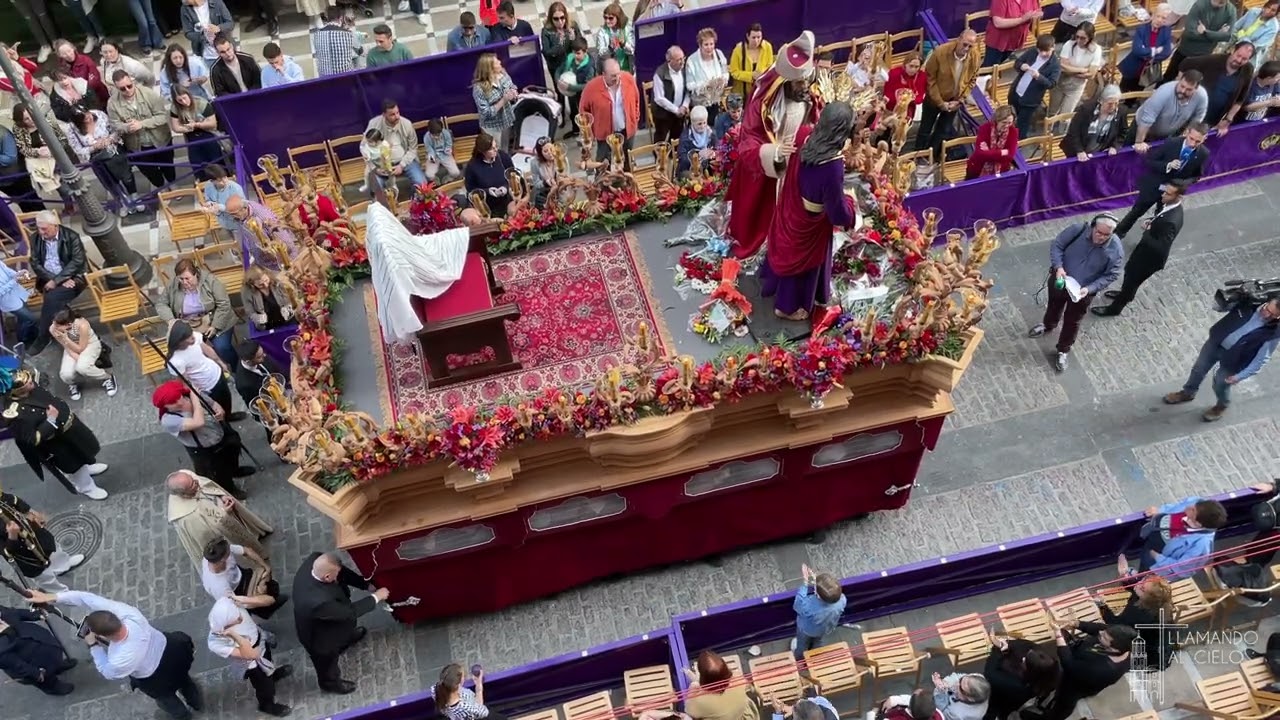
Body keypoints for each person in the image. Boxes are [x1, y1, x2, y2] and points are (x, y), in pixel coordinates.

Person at [26, 589, 204, 720]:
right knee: (185, 680)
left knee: (167, 700)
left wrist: (93, 645)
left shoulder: (119, 656)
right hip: (173, 651)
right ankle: (196, 701)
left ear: (104, 635)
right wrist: (51, 597)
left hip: (156, 678)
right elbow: (85, 597)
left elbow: (107, 670)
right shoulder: (128, 613)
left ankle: (184, 717)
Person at [726, 30, 819, 261]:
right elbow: (748, 143)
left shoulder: (807, 94)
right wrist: (775, 152)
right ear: (786, 82)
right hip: (776, 167)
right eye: (800, 83)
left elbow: (814, 117)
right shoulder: (764, 103)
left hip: (801, 161)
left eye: (807, 81)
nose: (805, 86)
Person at [761, 101, 856, 322]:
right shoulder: (832, 164)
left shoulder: (804, 133)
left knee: (786, 247)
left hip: (790, 205)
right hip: (810, 220)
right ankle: (787, 306)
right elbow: (837, 213)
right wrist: (850, 205)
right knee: (802, 261)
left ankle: (775, 285)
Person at [1027, 214, 1123, 372]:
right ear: (1093, 227)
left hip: (1082, 292)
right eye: (1099, 232)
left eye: (1107, 235)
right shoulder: (1077, 230)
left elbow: (1111, 274)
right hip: (1061, 280)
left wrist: (1090, 288)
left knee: (1073, 321)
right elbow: (1058, 245)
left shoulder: (1116, 250)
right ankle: (1048, 325)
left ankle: (1063, 350)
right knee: (1053, 305)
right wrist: (1058, 267)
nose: (1101, 237)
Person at [1163, 294, 1280, 422]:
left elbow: (1261, 360)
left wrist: (1239, 376)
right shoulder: (1249, 304)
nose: (1268, 316)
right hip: (1215, 344)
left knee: (1220, 385)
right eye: (1268, 310)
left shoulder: (1273, 332)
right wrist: (1231, 299)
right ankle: (1187, 393)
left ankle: (1222, 405)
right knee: (1198, 369)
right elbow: (1218, 307)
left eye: (1274, 315)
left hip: (1234, 361)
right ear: (1267, 302)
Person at [0, 368, 109, 499]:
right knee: (74, 465)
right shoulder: (16, 414)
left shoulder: (32, 389)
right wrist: (51, 420)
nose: (32, 383)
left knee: (83, 451)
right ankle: (86, 487)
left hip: (70, 429)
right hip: (57, 443)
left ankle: (86, 467)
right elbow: (32, 439)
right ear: (19, 391)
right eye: (28, 383)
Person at [292, 551, 390, 694]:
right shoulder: (318, 602)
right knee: (327, 661)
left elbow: (342, 572)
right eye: (335, 576)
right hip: (319, 637)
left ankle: (345, 639)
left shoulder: (317, 560)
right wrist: (376, 597)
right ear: (327, 577)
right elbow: (348, 613)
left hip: (333, 619)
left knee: (342, 632)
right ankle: (330, 683)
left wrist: (365, 585)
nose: (339, 577)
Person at [1093, 182, 1186, 317]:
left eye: (1168, 193)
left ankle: (1115, 309)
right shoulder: (1170, 207)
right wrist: (1152, 223)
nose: (1163, 195)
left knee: (1132, 280)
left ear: (1179, 197)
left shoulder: (1172, 220)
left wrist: (1148, 231)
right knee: (1129, 276)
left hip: (1149, 259)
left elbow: (1161, 246)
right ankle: (1125, 294)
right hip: (1144, 253)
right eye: (1165, 191)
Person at [154, 381, 251, 499]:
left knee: (233, 453)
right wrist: (195, 397)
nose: (179, 402)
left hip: (220, 433)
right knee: (218, 472)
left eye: (178, 397)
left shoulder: (190, 396)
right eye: (172, 403)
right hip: (204, 449)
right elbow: (198, 422)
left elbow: (213, 404)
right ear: (165, 406)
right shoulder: (169, 420)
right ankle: (230, 489)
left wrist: (220, 411)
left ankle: (235, 471)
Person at [1115, 122, 1208, 238]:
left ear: (1205, 139)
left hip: (1171, 193)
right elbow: (1150, 161)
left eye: (1197, 141)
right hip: (1154, 186)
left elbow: (1196, 176)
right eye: (1191, 139)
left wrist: (1180, 185)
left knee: (1160, 218)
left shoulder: (1203, 153)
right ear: (1187, 133)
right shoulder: (1171, 143)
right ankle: (1118, 234)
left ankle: (1148, 239)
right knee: (1136, 212)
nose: (1192, 144)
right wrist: (1167, 165)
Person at [206, 596, 292, 716]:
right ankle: (266, 705)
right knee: (264, 686)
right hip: (252, 663)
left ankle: (272, 675)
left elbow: (269, 601)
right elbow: (251, 654)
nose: (240, 618)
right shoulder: (216, 643)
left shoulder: (235, 607)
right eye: (236, 619)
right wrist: (234, 635)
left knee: (269, 663)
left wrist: (245, 599)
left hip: (260, 644)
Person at [166, 468, 269, 568]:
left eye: (193, 479)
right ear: (183, 494)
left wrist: (221, 496)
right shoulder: (186, 516)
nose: (196, 482)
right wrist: (224, 513)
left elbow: (207, 487)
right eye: (192, 485)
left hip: (228, 512)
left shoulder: (188, 477)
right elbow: (209, 534)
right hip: (227, 534)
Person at [1037, 621, 1135, 720]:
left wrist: (1058, 635)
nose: (1100, 633)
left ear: (1115, 649)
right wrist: (1078, 624)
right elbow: (1101, 628)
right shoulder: (1122, 641)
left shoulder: (1101, 669)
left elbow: (1069, 664)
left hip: (1076, 685)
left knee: (1064, 704)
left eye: (1104, 637)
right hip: (1085, 673)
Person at [155, 260, 239, 367]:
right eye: (181, 279)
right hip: (189, 324)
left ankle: (236, 366)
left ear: (196, 275)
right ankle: (206, 371)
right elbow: (161, 304)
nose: (184, 282)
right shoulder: (173, 286)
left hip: (214, 319)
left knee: (222, 347)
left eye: (187, 278)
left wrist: (215, 326)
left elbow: (224, 304)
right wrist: (171, 319)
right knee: (186, 350)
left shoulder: (210, 281)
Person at [27, 211, 88, 356]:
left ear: (55, 226)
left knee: (51, 298)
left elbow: (78, 262)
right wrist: (52, 279)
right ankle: (73, 323)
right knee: (54, 299)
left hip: (73, 279)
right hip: (47, 279)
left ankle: (43, 337)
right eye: (39, 228)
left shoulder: (71, 237)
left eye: (44, 229)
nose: (41, 232)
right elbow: (35, 263)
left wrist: (58, 280)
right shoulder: (35, 238)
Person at [915, 30, 982, 161]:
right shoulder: (940, 52)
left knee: (943, 131)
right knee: (925, 129)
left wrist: (960, 100)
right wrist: (940, 103)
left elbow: (972, 79)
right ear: (958, 40)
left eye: (970, 46)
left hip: (954, 101)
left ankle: (931, 157)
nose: (966, 49)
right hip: (934, 98)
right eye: (965, 44)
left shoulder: (975, 56)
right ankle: (917, 156)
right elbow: (930, 79)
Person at [1, 490, 85, 592]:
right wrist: (12, 535)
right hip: (26, 556)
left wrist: (31, 512)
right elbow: (7, 553)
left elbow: (14, 500)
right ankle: (61, 594)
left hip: (35, 534)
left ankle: (64, 565)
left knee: (55, 551)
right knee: (45, 578)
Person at [65, 108, 145, 215]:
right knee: (110, 182)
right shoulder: (71, 129)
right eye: (84, 119)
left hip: (113, 151)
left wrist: (109, 140)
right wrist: (94, 147)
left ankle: (135, 198)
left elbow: (115, 129)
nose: (89, 118)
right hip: (97, 158)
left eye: (88, 114)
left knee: (126, 176)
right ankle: (123, 202)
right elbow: (78, 149)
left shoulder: (99, 114)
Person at [1097, 561, 1176, 669]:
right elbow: (1134, 588)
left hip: (1150, 655)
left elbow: (1114, 623)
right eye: (1143, 580)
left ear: (1148, 597)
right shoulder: (1160, 603)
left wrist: (1101, 605)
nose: (1138, 584)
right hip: (1159, 644)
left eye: (1142, 587)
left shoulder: (1139, 615)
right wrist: (1125, 577)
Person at [108, 70, 176, 192]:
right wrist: (127, 127)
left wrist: (142, 124)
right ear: (116, 88)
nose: (127, 90)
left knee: (168, 164)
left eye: (129, 86)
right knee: (149, 170)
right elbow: (114, 124)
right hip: (137, 145)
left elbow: (162, 116)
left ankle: (172, 183)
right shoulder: (112, 103)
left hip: (160, 139)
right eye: (122, 89)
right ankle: (161, 187)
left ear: (132, 81)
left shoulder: (148, 94)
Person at [0, 603, 76, 695]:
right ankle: (53, 687)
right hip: (30, 662)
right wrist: (35, 673)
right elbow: (17, 665)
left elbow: (14, 613)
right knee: (46, 678)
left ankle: (57, 666)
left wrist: (35, 614)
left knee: (52, 660)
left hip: (38, 641)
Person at [579, 58, 642, 167]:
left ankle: (628, 180)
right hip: (604, 134)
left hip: (626, 130)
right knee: (603, 162)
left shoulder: (628, 79)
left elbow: (636, 99)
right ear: (603, 74)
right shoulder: (591, 88)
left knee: (627, 157)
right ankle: (603, 181)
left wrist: (635, 119)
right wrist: (589, 133)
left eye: (618, 74)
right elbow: (583, 112)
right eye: (613, 75)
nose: (617, 78)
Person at [201, 537, 286, 618]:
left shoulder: (222, 551)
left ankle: (269, 596)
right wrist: (261, 599)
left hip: (242, 575)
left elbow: (247, 551)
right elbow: (235, 603)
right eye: (228, 552)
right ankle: (265, 607)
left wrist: (265, 566)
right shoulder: (219, 586)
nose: (230, 550)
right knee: (264, 596)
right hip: (236, 593)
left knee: (264, 575)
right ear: (222, 560)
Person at [1180, 41, 1256, 131]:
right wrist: (1181, 89)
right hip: (1192, 112)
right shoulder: (1214, 60)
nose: (1239, 60)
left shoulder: (1248, 69)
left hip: (1213, 119)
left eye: (1244, 59)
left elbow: (1240, 98)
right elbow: (1185, 64)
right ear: (1232, 50)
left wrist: (1228, 119)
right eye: (1238, 55)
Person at [982, 636, 1060, 720]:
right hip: (1020, 698)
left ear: (1030, 671)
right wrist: (1008, 644)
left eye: (1025, 661)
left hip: (1004, 699)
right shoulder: (1048, 668)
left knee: (996, 709)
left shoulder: (1017, 684)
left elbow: (990, 673)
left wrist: (998, 649)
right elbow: (1029, 644)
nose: (1023, 658)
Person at [48, 307, 116, 399]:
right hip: (70, 347)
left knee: (83, 367)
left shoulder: (82, 325)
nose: (54, 327)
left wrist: (66, 338)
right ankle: (73, 384)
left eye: (57, 325)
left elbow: (80, 348)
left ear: (68, 324)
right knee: (65, 374)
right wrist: (75, 356)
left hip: (89, 344)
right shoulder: (53, 329)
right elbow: (66, 347)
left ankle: (107, 377)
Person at [1163, 0, 1238, 82]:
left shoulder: (1231, 10)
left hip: (1204, 56)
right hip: (1185, 51)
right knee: (1167, 79)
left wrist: (1205, 32)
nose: (1217, 4)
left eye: (1221, 3)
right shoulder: (1200, 4)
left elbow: (1227, 36)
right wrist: (1216, 34)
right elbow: (1190, 33)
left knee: (1191, 84)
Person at [1007, 35, 1060, 139]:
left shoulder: (1055, 65)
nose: (1042, 54)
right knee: (1010, 117)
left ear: (1053, 47)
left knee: (1022, 124)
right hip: (1016, 92)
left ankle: (1018, 143)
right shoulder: (1032, 52)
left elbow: (1052, 84)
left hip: (1030, 100)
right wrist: (1021, 66)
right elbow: (1017, 62)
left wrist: (1039, 77)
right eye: (1040, 51)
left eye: (1046, 51)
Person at [225, 195, 297, 270]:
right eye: (231, 214)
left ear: (244, 208)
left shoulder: (264, 217)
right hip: (259, 257)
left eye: (235, 214)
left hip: (280, 261)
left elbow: (286, 243)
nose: (233, 217)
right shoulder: (241, 214)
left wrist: (288, 264)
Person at [366, 99, 427, 187]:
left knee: (422, 184)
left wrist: (401, 165)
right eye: (392, 115)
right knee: (376, 188)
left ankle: (414, 199)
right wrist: (375, 169)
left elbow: (413, 148)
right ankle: (388, 200)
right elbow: (365, 148)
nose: (397, 116)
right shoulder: (374, 124)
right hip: (381, 164)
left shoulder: (406, 124)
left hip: (405, 161)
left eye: (398, 112)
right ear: (384, 115)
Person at [683, 650, 757, 720]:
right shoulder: (738, 679)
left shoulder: (699, 701)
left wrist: (694, 686)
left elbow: (688, 711)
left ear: (703, 678)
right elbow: (750, 688)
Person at [792, 564, 846, 659]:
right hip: (825, 629)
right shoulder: (842, 600)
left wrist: (805, 581)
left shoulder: (807, 605)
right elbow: (829, 591)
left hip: (806, 629)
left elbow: (797, 605)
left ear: (817, 594)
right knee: (818, 641)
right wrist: (816, 580)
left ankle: (800, 659)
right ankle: (816, 654)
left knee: (802, 644)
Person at [1060, 84, 1127, 161]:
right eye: (1110, 104)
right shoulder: (1085, 109)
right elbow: (1073, 132)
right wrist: (1079, 151)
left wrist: (1115, 146)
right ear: (1101, 101)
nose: (1114, 107)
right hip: (1078, 150)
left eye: (1116, 103)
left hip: (1102, 152)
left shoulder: (1121, 111)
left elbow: (1123, 131)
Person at [169, 86, 223, 180]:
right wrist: (188, 128)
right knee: (196, 161)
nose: (184, 102)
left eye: (184, 98)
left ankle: (221, 177)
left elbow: (213, 124)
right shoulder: (175, 108)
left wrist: (196, 125)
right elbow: (175, 127)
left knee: (215, 158)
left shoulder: (201, 103)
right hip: (191, 135)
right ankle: (202, 181)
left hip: (208, 133)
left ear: (188, 95)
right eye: (180, 100)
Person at [1050, 22, 1101, 120]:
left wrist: (1071, 70)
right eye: (1077, 37)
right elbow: (1063, 67)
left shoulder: (1096, 50)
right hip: (1060, 83)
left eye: (1083, 38)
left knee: (1066, 117)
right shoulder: (1069, 44)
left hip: (1076, 87)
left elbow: (1091, 74)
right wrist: (1083, 70)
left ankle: (1062, 133)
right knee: (1052, 112)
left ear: (1090, 37)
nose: (1079, 40)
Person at [1118, 4, 1175, 92]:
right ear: (1153, 15)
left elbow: (1166, 53)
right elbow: (1137, 50)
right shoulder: (1142, 29)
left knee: (1139, 89)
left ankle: (1130, 103)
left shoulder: (1166, 31)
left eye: (1163, 18)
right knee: (1124, 88)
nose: (1159, 20)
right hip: (1133, 66)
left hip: (1148, 70)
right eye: (1158, 16)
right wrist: (1154, 51)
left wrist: (1146, 53)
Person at [541, 2, 583, 119]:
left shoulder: (572, 26)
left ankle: (575, 119)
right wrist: (559, 44)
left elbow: (581, 46)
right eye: (556, 19)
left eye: (562, 18)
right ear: (551, 18)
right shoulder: (547, 31)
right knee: (559, 92)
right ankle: (561, 115)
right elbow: (547, 52)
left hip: (571, 65)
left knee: (572, 93)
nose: (560, 22)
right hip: (556, 66)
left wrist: (574, 39)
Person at [464, 133, 517, 217]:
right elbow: (471, 190)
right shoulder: (472, 166)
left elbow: (513, 176)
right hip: (486, 206)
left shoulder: (503, 156)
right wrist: (487, 191)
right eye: (492, 149)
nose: (496, 150)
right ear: (482, 151)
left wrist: (506, 187)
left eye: (496, 146)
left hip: (506, 199)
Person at [686, 28, 731, 123]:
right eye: (706, 44)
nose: (709, 47)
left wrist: (722, 81)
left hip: (715, 101)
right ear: (700, 45)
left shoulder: (719, 54)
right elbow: (689, 85)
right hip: (700, 104)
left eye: (711, 44)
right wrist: (706, 85)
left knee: (714, 128)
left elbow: (725, 72)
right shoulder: (691, 60)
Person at [965, 105, 1019, 180]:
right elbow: (980, 153)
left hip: (1001, 172)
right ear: (997, 120)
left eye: (1009, 123)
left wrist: (988, 152)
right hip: (977, 169)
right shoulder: (985, 128)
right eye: (1004, 122)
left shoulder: (1013, 132)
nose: (1007, 126)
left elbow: (1009, 156)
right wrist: (1002, 152)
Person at [984, 0, 1044, 67]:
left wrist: (1038, 15)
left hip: (1016, 41)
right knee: (988, 71)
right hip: (998, 41)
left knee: (996, 66)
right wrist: (1022, 19)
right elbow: (998, 23)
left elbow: (1036, 12)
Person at [651, 45, 691, 146]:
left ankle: (673, 157)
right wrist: (676, 110)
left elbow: (688, 90)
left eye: (683, 58)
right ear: (669, 61)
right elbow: (659, 98)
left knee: (677, 138)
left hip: (680, 111)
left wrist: (684, 106)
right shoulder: (659, 74)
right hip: (663, 114)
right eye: (678, 60)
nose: (682, 62)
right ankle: (660, 159)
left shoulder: (684, 70)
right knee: (661, 139)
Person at [436, 662, 504, 720]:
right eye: (463, 676)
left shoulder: (438, 690)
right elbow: (481, 710)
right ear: (459, 683)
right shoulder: (466, 707)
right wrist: (479, 687)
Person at [0, 121, 42, 214]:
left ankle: (45, 220)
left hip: (16, 176)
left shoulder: (3, 134)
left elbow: (10, 158)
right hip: (3, 181)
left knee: (31, 200)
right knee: (21, 202)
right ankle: (33, 221)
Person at [558, 38, 596, 138]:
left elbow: (588, 85)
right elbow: (559, 69)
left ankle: (588, 135)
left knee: (584, 115)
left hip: (583, 95)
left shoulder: (589, 67)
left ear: (585, 51)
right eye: (574, 53)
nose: (575, 56)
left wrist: (570, 87)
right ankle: (575, 130)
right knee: (573, 112)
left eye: (578, 53)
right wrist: (558, 79)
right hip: (571, 94)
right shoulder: (570, 58)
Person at [234, 339, 286, 411]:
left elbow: (277, 367)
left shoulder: (260, 355)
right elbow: (256, 406)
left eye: (262, 352)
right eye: (259, 357)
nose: (264, 355)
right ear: (248, 361)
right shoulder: (244, 385)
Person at [311, 7, 364, 77]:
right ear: (341, 18)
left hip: (323, 78)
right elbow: (360, 51)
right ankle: (360, 77)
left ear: (326, 17)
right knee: (358, 56)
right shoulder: (348, 34)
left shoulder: (316, 35)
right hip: (344, 77)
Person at [54, 38, 108, 105]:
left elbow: (95, 80)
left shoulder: (86, 60)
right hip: (80, 100)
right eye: (64, 54)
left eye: (69, 51)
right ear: (60, 55)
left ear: (73, 48)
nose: (68, 55)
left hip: (97, 96)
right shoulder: (61, 68)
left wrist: (84, 93)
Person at [200, 163, 246, 240]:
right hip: (222, 220)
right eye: (219, 180)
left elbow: (242, 208)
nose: (224, 181)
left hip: (237, 221)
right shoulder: (208, 186)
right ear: (212, 181)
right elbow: (208, 199)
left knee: (241, 240)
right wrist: (209, 205)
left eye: (225, 177)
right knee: (231, 237)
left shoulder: (235, 188)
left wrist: (221, 207)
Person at [241, 268, 295, 333]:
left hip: (286, 318)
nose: (266, 285)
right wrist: (259, 318)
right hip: (267, 325)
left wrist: (288, 307)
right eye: (260, 284)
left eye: (266, 280)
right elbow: (250, 312)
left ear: (267, 275)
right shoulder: (247, 293)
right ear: (252, 284)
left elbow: (286, 299)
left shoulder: (276, 282)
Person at [729, 24, 774, 100]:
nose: (756, 41)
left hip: (760, 92)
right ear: (747, 36)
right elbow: (734, 72)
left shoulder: (767, 47)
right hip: (743, 94)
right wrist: (751, 76)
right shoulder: (738, 49)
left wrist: (762, 74)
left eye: (759, 37)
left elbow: (770, 67)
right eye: (753, 37)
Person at [209, 33, 262, 97]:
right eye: (223, 52)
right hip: (233, 101)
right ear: (217, 53)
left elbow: (258, 79)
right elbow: (219, 92)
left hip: (254, 95)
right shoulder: (215, 70)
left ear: (231, 46)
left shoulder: (248, 59)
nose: (228, 54)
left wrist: (250, 94)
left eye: (228, 49)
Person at [1232, 1, 1279, 71]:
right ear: (1265, 6)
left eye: (1273, 10)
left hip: (1249, 58)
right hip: (1232, 46)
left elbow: (1254, 47)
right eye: (1268, 7)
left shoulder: (1273, 27)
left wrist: (1241, 35)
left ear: (1276, 13)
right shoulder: (1253, 12)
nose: (1268, 11)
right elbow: (1236, 27)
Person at [0, 260, 37, 344]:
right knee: (30, 319)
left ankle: (31, 337)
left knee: (23, 319)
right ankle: (24, 341)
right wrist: (13, 281)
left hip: (19, 294)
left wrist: (19, 273)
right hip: (9, 302)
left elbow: (8, 271)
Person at [883, 51, 927, 119]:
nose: (913, 69)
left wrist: (909, 100)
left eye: (916, 67)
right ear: (905, 64)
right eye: (911, 66)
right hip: (891, 108)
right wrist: (900, 102)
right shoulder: (894, 73)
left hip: (909, 109)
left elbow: (920, 96)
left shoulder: (922, 76)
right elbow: (887, 92)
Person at [594, 2, 635, 72]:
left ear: (618, 18)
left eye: (611, 18)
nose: (607, 21)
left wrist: (624, 44)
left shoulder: (627, 29)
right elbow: (600, 54)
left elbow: (633, 50)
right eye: (605, 17)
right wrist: (610, 48)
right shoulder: (602, 32)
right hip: (611, 71)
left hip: (627, 68)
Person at [677, 106, 717, 176]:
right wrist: (698, 156)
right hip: (689, 171)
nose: (703, 126)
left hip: (708, 170)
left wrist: (713, 153)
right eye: (699, 124)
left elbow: (718, 148)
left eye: (704, 122)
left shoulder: (710, 133)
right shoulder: (686, 137)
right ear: (692, 123)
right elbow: (682, 159)